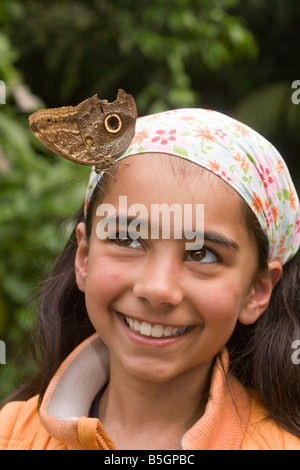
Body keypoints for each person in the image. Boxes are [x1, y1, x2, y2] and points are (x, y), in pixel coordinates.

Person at [0, 107, 299, 450]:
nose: (157, 289)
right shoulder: (10, 436)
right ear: (84, 257)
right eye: (128, 240)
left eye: (202, 254)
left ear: (257, 291)